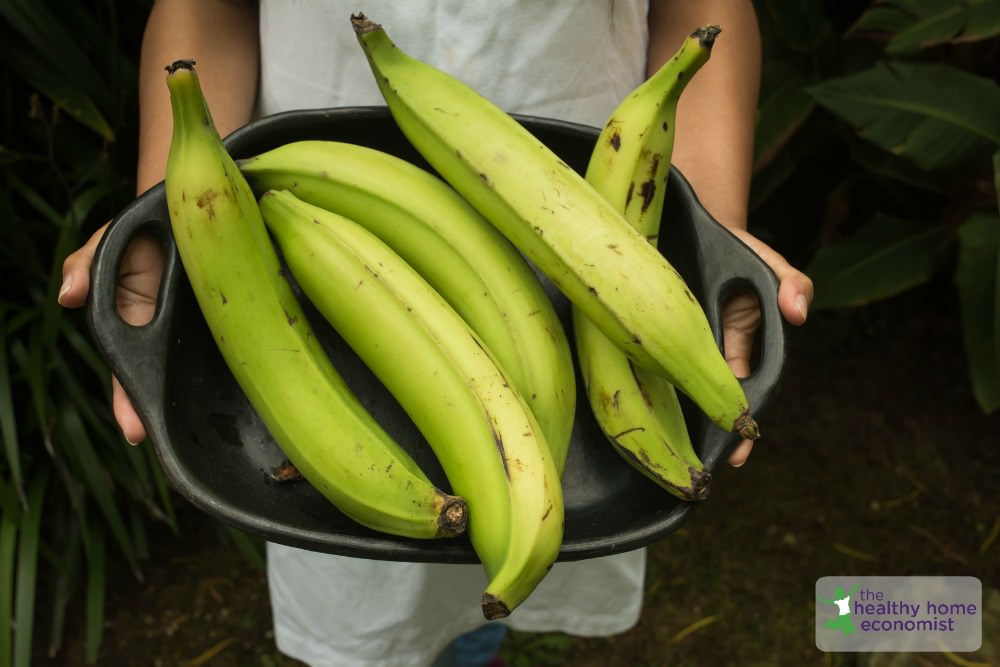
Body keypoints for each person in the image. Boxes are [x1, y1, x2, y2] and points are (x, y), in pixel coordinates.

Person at [58, 1, 815, 665]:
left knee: (532, 521)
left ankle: (479, 638)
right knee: (375, 586)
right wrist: (179, 206)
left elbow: (704, 8)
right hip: (303, 204)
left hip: (585, 209)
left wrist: (710, 235)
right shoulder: (301, 216)